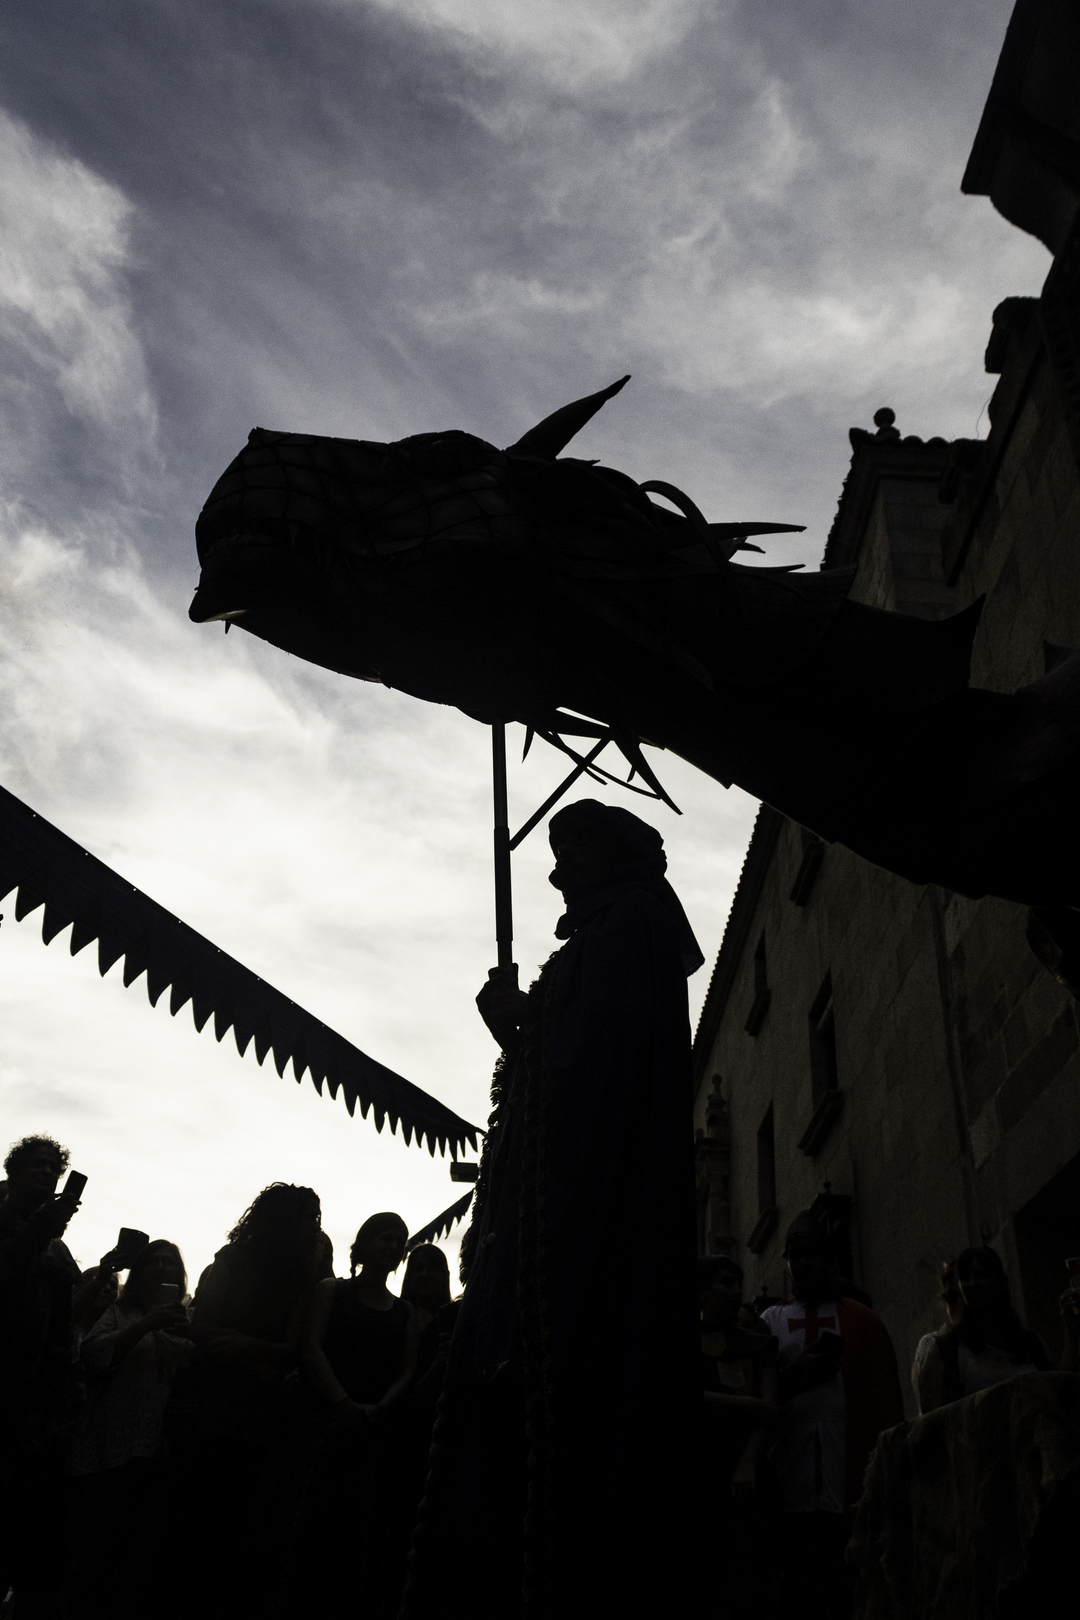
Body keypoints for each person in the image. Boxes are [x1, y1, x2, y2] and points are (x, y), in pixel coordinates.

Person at [404, 799, 704, 1619]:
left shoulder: (630, 925)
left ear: (610, 856)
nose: (553, 870)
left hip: (582, 1217)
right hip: (550, 1208)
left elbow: (592, 1063)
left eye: (569, 851)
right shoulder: (608, 935)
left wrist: (520, 1028)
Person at [167, 1183, 328, 1620]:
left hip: (257, 1417)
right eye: (306, 1218)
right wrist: (250, 1355)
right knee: (196, 1525)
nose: (312, 1227)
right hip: (214, 1407)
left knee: (235, 1526)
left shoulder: (301, 1279)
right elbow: (200, 1323)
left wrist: (245, 1348)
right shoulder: (231, 1263)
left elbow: (293, 1344)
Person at [761, 1212, 904, 1620]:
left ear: (829, 1259)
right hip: (790, 1482)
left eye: (812, 1253)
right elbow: (755, 1398)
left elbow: (887, 1405)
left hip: (850, 1480)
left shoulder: (863, 1322)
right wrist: (796, 1376)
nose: (803, 1263)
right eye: (795, 1255)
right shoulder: (769, 1324)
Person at [291, 1212, 419, 1618]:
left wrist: (379, 1409)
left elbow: (408, 1371)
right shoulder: (331, 1291)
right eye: (386, 1238)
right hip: (321, 1422)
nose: (394, 1246)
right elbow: (312, 1347)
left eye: (400, 1241)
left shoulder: (405, 1313)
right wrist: (341, 1403)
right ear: (363, 1244)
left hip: (370, 1431)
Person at [66, 1241, 191, 1619]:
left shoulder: (186, 1319)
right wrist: (144, 1327)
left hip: (158, 1453)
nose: (162, 1267)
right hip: (111, 1448)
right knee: (93, 1551)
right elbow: (94, 1354)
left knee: (136, 1560)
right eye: (154, 1261)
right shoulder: (119, 1313)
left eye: (170, 1262)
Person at [0, 1135, 83, 1617]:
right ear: (13, 1170)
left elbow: (58, 1326)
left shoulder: (56, 1248)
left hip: (29, 1402)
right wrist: (42, 1229)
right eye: (37, 1164)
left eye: (54, 1166)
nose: (47, 1172)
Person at [699, 1256, 779, 1620]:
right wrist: (746, 1403)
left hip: (746, 1469)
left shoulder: (759, 1344)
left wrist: (748, 1462)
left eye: (737, 1284)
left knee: (748, 1572)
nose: (735, 1292)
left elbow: (771, 1410)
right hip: (702, 1466)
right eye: (726, 1283)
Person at [912, 1246, 1051, 1413]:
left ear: (1002, 1282)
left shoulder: (1033, 1345)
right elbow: (932, 1425)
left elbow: (1058, 1397)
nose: (973, 1284)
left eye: (981, 1275)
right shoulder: (945, 1350)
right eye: (965, 1277)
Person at [400, 1244, 452, 1335]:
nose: (425, 1274)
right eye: (418, 1268)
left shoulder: (457, 1321)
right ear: (408, 1276)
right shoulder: (393, 1318)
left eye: (432, 1268)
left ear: (445, 1276)